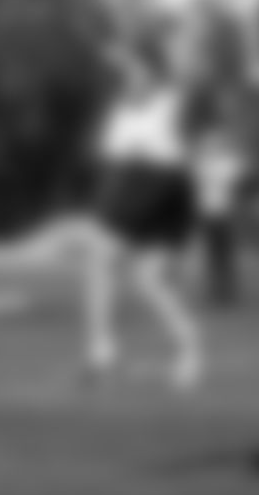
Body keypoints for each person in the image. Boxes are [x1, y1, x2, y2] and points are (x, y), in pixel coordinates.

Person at [83, 30, 206, 392]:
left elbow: (150, 72)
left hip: (147, 179)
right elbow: (146, 73)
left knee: (101, 254)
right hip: (173, 187)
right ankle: (190, 345)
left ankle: (103, 350)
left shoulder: (158, 100)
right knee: (149, 279)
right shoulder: (136, 106)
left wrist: (123, 53)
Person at [193, 125, 250, 309]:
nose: (210, 147)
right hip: (206, 214)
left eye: (214, 144)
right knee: (212, 254)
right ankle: (216, 290)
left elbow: (241, 180)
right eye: (208, 145)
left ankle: (227, 290)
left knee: (225, 253)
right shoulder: (202, 165)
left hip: (226, 213)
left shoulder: (228, 163)